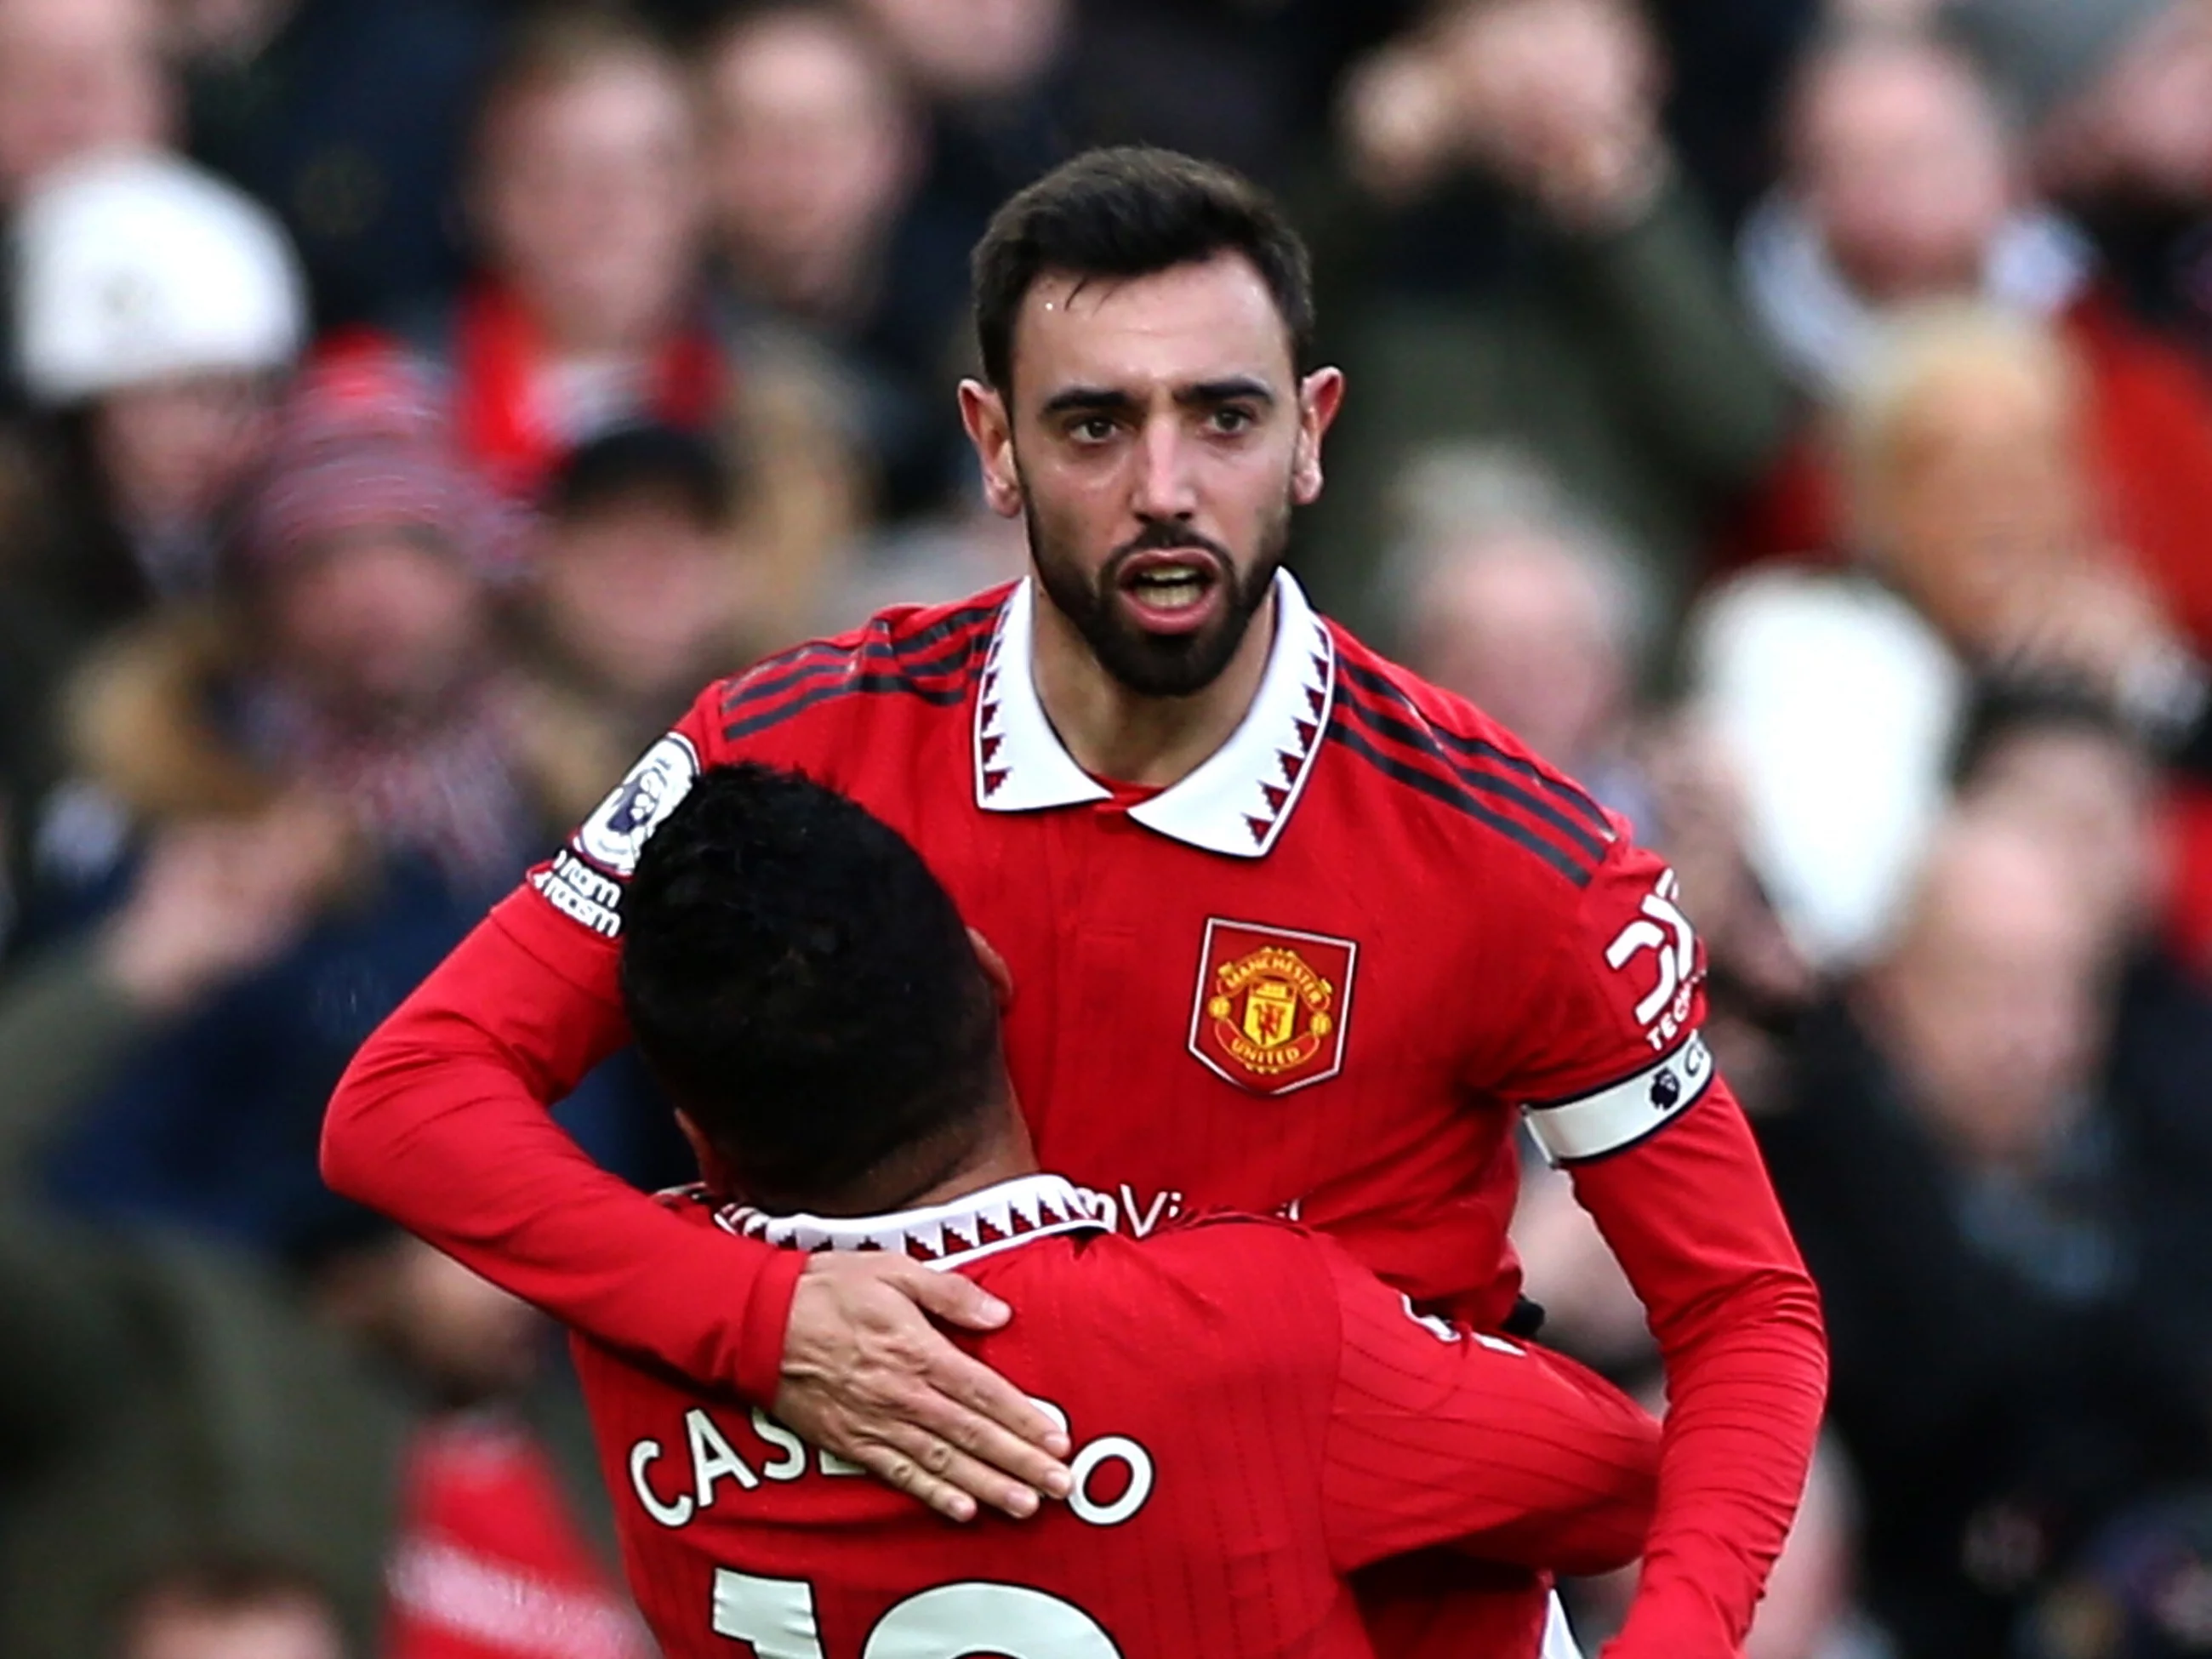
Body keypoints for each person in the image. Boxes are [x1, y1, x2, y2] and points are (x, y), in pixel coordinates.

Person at [325, 146, 1827, 1659]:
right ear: (993, 446)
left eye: (1222, 417)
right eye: (1096, 425)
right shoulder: (790, 749)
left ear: (1312, 435)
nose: (1164, 489)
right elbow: (408, 1101)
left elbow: (1747, 1316)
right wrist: (761, 1321)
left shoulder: (1512, 853)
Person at [575, 761, 1660, 1657]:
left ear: (692, 1126)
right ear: (993, 978)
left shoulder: (631, 1340)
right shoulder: (1245, 1328)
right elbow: (1618, 1488)